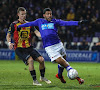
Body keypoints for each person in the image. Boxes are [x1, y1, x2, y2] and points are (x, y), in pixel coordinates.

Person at [17, 8, 86, 84]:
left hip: (58, 44)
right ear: (44, 15)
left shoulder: (55, 21)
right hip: (49, 47)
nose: (49, 15)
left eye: (50, 14)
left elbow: (66, 23)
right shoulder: (39, 21)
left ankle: (59, 75)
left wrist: (78, 23)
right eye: (48, 14)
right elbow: (29, 24)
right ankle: (75, 74)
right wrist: (20, 26)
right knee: (60, 61)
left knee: (63, 60)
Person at [6, 7, 51, 86]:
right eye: (22, 14)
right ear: (18, 15)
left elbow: (36, 32)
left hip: (29, 47)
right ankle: (35, 81)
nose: (24, 16)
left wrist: (42, 36)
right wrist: (9, 42)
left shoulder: (29, 24)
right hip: (19, 48)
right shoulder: (14, 24)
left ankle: (42, 77)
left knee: (41, 60)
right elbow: (8, 35)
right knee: (30, 60)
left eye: (25, 14)